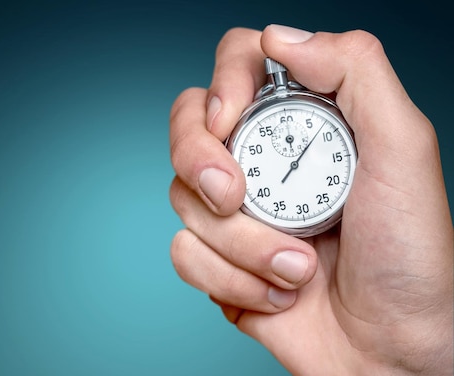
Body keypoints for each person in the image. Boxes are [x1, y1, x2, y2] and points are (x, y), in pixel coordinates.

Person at [168, 24, 453, 375]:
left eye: (297, 157)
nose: (292, 161)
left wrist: (427, 343)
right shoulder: (256, 132)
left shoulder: (335, 123)